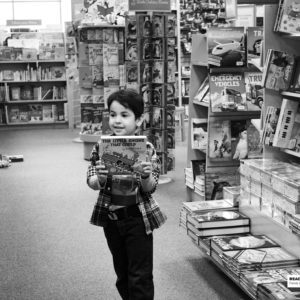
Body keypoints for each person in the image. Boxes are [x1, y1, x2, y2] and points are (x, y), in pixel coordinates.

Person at [86, 89, 167, 300]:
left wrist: (146, 176)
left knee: (140, 276)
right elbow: (92, 181)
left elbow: (150, 188)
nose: (117, 121)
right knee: (122, 275)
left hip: (138, 219)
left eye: (125, 115)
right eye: (113, 115)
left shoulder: (146, 149)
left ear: (139, 119)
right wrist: (101, 179)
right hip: (112, 220)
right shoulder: (101, 146)